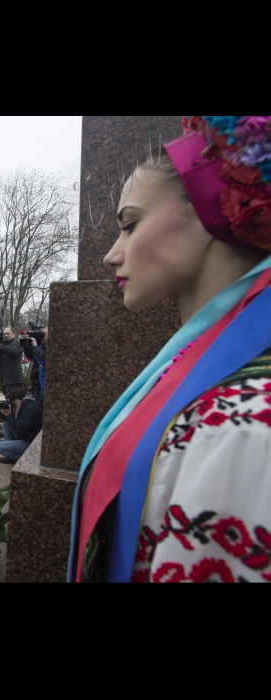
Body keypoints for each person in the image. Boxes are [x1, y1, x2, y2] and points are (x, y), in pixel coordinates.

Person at [69, 115, 271, 584]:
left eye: (130, 224)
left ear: (208, 214)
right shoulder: (206, 372)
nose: (110, 254)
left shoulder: (242, 427)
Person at [0, 387, 43, 464]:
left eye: (14, 400)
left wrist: (9, 415)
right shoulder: (23, 406)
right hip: (26, 437)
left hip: (31, 443)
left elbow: (20, 429)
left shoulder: (30, 407)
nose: (13, 403)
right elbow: (7, 420)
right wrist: (1, 411)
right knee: (6, 424)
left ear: (22, 397)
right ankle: (12, 456)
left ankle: (28, 461)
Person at [0, 327, 24, 396]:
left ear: (14, 334)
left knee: (14, 401)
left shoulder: (18, 343)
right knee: (8, 402)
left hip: (14, 379)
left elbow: (13, 351)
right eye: (4, 334)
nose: (6, 335)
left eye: (8, 333)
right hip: (5, 379)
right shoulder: (3, 345)